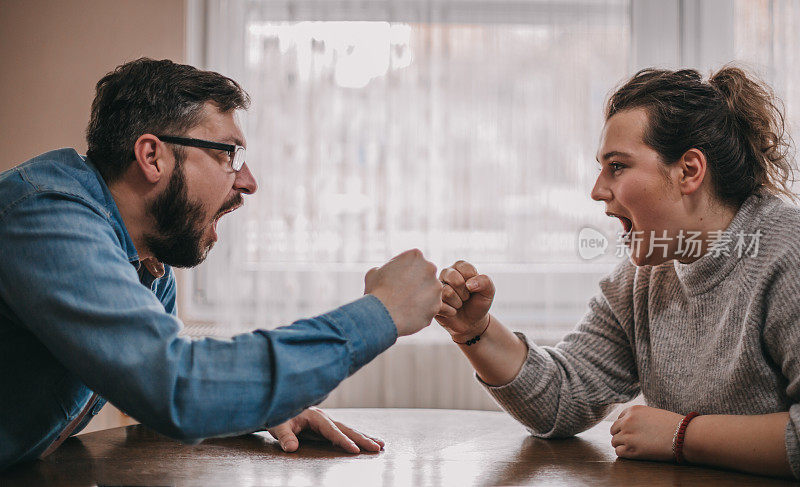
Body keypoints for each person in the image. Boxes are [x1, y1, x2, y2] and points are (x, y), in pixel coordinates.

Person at [0, 58, 444, 469]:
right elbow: (179, 387)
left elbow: (146, 387)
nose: (248, 182)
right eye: (228, 153)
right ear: (152, 156)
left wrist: (253, 402)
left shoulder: (148, 267)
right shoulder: (44, 217)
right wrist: (380, 312)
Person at [436, 66, 800, 479]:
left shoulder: (788, 255)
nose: (597, 190)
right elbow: (561, 399)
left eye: (618, 166)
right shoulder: (644, 276)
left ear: (689, 171)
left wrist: (682, 435)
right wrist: (473, 329)